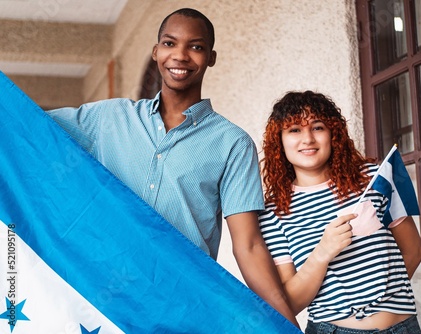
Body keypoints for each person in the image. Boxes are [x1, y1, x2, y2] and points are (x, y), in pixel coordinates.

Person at [46, 8, 298, 327]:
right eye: (169, 43)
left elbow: (247, 245)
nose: (180, 55)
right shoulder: (107, 118)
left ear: (211, 57)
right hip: (104, 299)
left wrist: (287, 325)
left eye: (195, 46)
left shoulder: (232, 143)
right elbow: (27, 131)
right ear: (156, 52)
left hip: (182, 309)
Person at [258, 90, 421, 333]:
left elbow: (414, 250)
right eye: (294, 129)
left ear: (333, 133)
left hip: (403, 327)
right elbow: (290, 303)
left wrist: (384, 300)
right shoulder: (274, 211)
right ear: (279, 141)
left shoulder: (372, 177)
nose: (307, 139)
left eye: (317, 127)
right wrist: (322, 253)